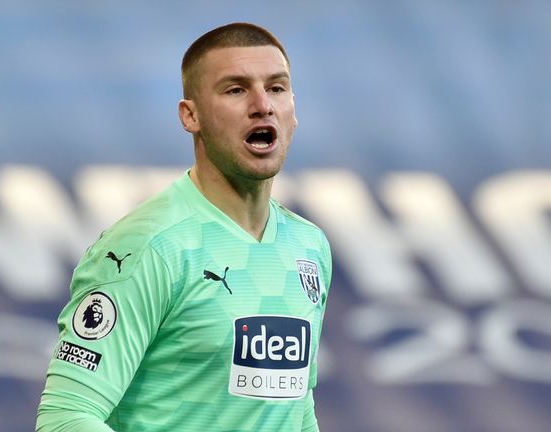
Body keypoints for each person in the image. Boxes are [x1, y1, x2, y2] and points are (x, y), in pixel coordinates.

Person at [36, 22, 332, 432]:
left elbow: (297, 412)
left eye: (277, 88)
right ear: (190, 116)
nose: (263, 105)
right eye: (236, 89)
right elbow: (65, 417)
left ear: (293, 111)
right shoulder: (148, 247)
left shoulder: (309, 246)